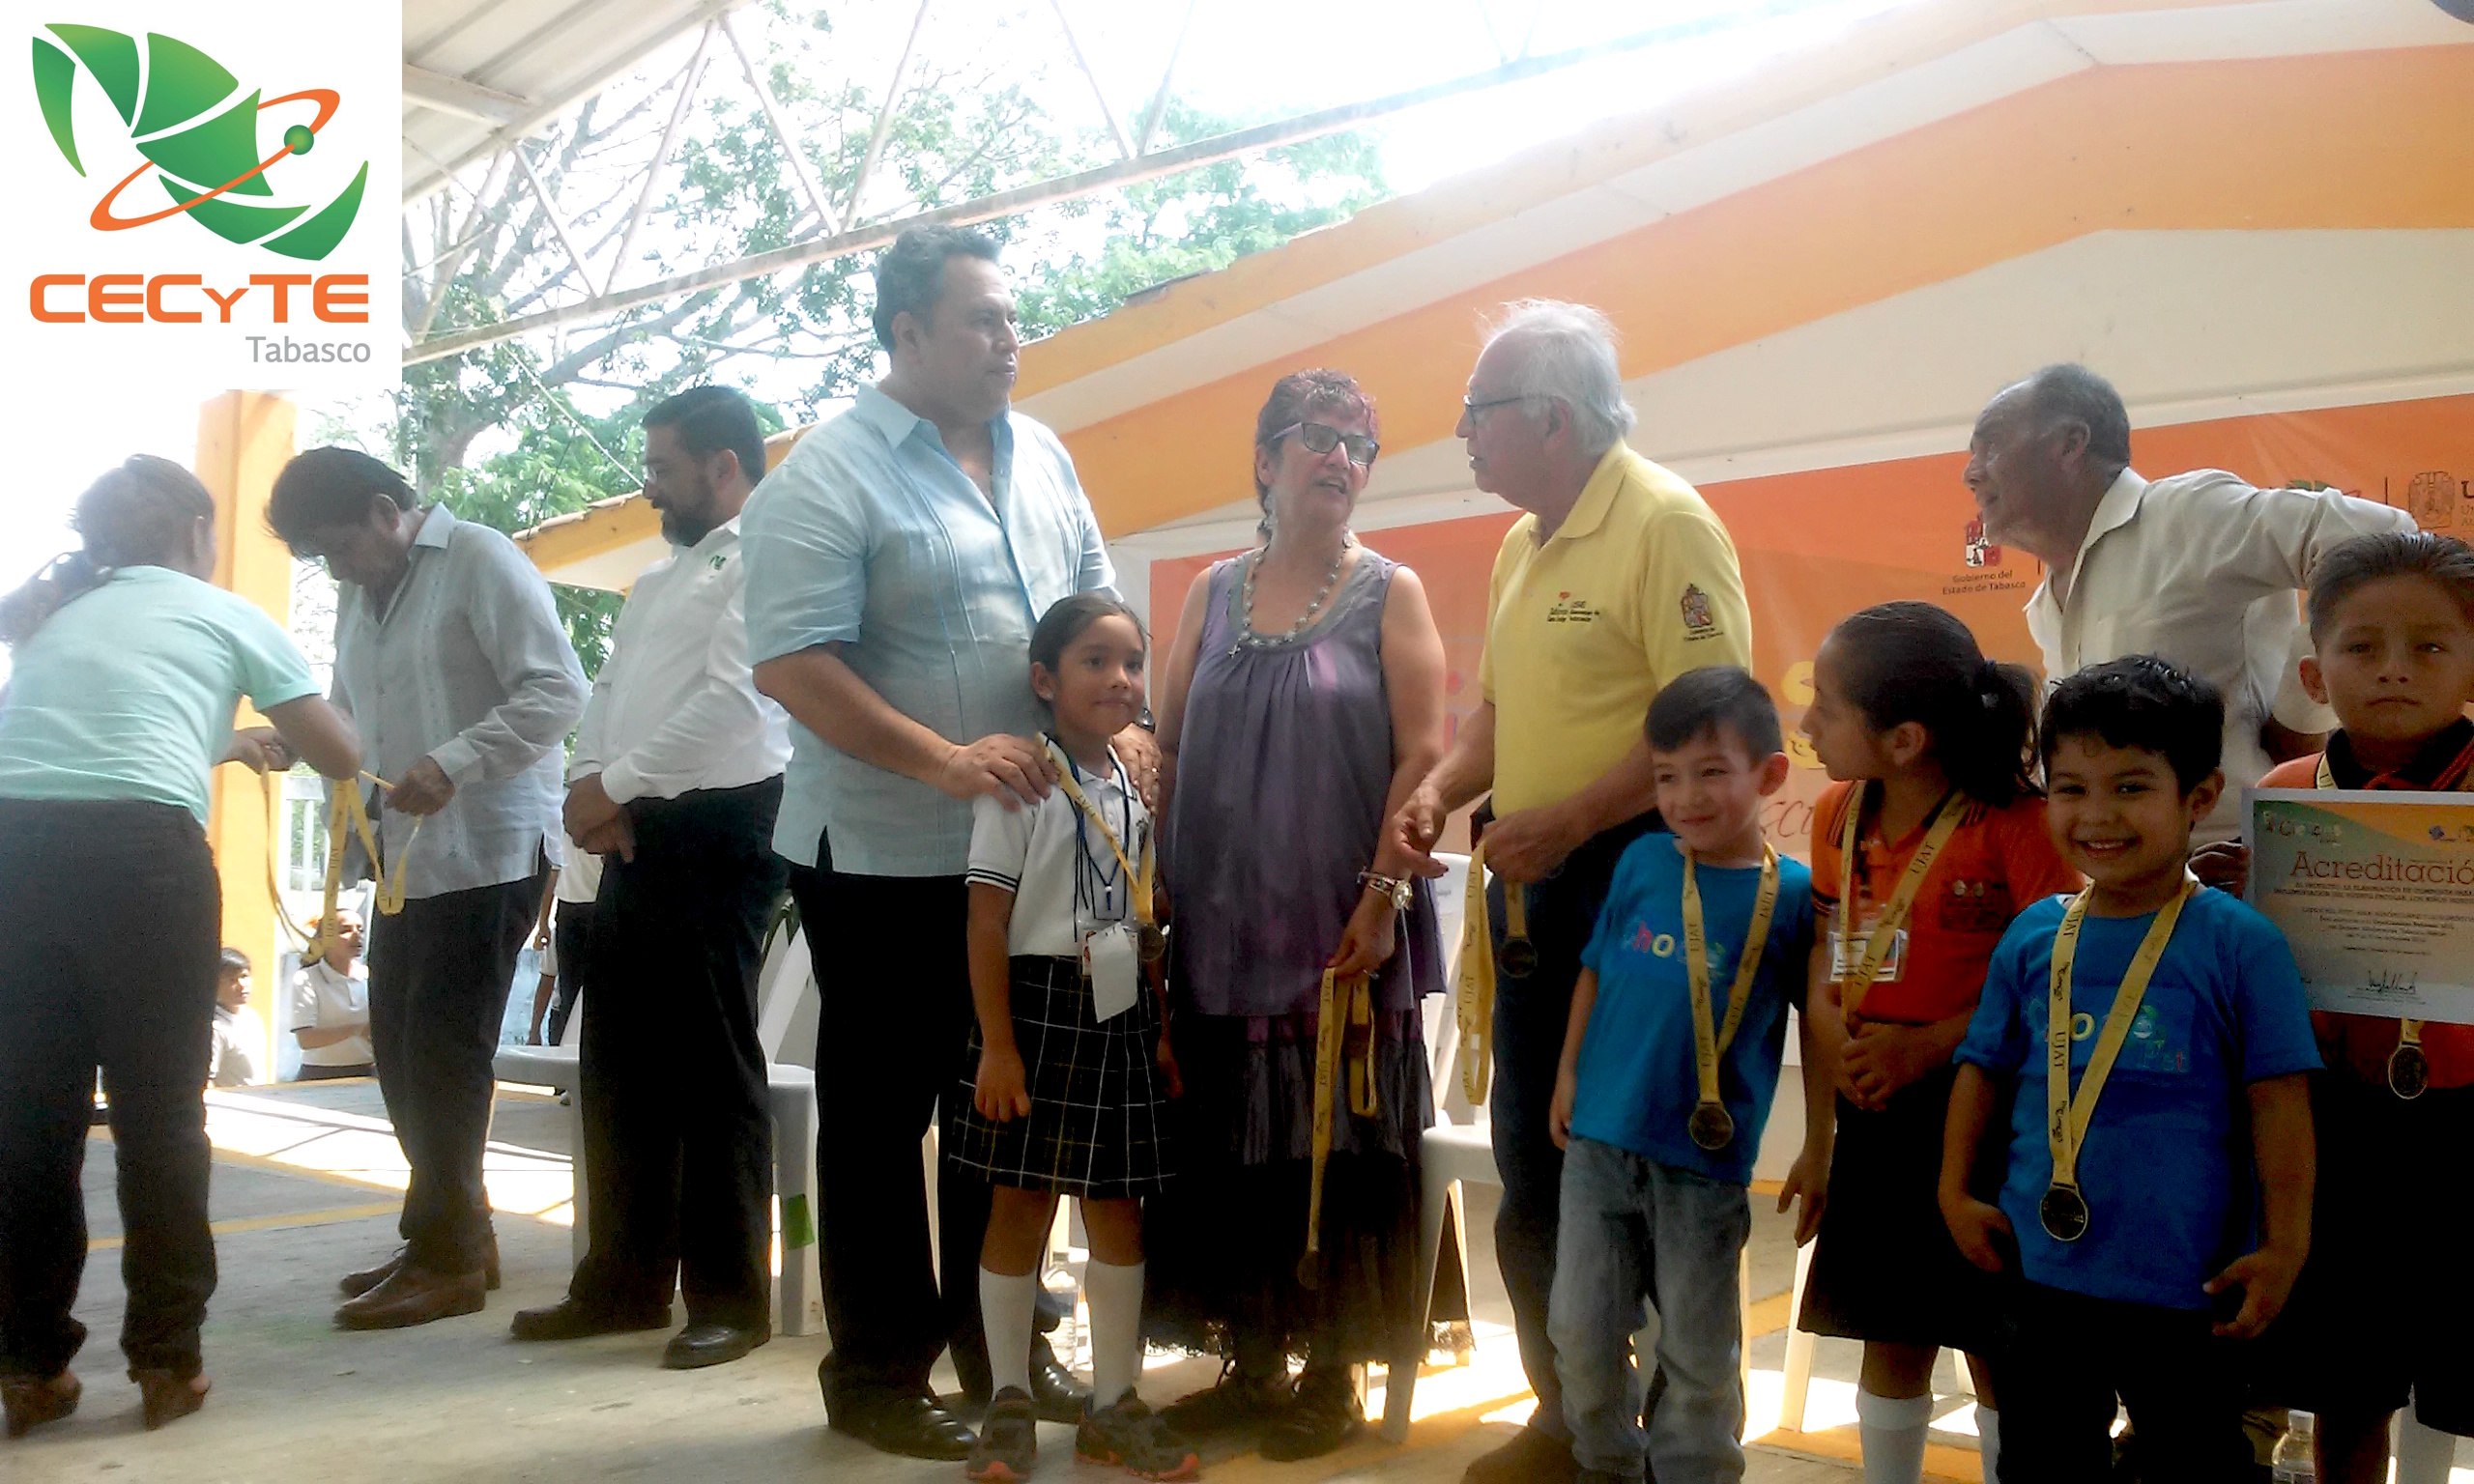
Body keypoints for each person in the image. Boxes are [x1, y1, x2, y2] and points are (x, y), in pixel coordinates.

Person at [745, 224, 1147, 1459]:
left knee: (1001, 1110)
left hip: (1027, 851)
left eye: (1011, 316)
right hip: (882, 852)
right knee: (881, 1118)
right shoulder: (826, 474)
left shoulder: (1044, 456)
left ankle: (1002, 1361)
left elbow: (1091, 614)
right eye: (982, 318)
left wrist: (1127, 729)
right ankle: (875, 1375)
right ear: (907, 332)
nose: (1009, 339)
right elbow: (792, 664)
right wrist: (942, 759)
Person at [1391, 300, 1753, 1484]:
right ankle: (1568, 1417)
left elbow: (1709, 729)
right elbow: (1498, 714)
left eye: (1476, 412)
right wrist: (1439, 789)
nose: (1462, 433)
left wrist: (1572, 821)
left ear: (1549, 416)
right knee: (1534, 1161)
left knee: (1628, 1172)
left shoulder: (1664, 523)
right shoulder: (1521, 541)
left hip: (1635, 885)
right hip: (1530, 887)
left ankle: (1648, 1438)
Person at [0, 454, 360, 1435]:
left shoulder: (60, 611)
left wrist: (221, 740)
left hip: (15, 857)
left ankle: (28, 1367)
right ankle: (167, 1363)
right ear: (198, 532)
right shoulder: (226, 612)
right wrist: (283, 724)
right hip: (142, 866)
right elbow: (339, 753)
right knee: (160, 1120)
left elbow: (94, 746)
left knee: (30, 1124)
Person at [1140, 369, 1450, 1458]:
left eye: (1358, 446)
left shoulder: (1391, 591)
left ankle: (1331, 1374)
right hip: (1218, 932)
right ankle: (1252, 1360)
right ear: (1265, 460)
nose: (1340, 460)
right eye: (1317, 437)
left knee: (1338, 1144)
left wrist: (1384, 895)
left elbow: (1422, 758)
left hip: (1339, 931)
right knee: (1231, 1149)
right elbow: (1164, 747)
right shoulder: (1210, 592)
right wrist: (1149, 889)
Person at [1940, 657, 2317, 1483]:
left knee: (2195, 1465)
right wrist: (1954, 1192)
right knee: (2042, 1463)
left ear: (2200, 796)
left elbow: (2280, 1103)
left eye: (2131, 787)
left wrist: (2285, 1246)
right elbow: (1982, 1068)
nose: (2097, 815)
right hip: (2042, 1271)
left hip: (2190, 1283)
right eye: (2071, 789)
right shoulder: (2034, 935)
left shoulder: (2240, 944)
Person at [267, 446, 588, 1331]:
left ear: (386, 509)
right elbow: (346, 713)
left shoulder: (480, 557)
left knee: (443, 1055)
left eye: (338, 547)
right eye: (320, 556)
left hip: (488, 846)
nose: (336, 569)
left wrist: (453, 761)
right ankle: (457, 1235)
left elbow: (559, 691)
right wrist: (295, 743)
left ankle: (447, 1256)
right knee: (404, 1053)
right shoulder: (360, 593)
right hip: (404, 855)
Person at [512, 385, 793, 1371]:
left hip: (725, 820)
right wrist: (589, 786)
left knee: (711, 1066)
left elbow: (735, 704)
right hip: (637, 826)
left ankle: (731, 1300)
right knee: (620, 1061)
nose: (649, 487)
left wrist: (613, 785)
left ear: (723, 466)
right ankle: (623, 1283)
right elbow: (608, 692)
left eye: (663, 468)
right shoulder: (658, 578)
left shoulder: (766, 556)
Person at [1790, 603, 2081, 1484]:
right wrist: (1823, 1099)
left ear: (1905, 739)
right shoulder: (1837, 813)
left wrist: (1930, 1047)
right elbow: (1826, 954)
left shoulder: (2015, 824)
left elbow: (2054, 980)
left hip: (1983, 1112)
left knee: (1994, 1336)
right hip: (1873, 1106)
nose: (1806, 722)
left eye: (1826, 706)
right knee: (1890, 1327)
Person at [1962, 362, 2413, 868]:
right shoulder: (2045, 605)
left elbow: (2379, 536)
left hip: (2251, 871)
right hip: (2127, 885)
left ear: (2070, 443)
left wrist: (2302, 713)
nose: (1971, 473)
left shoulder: (2187, 513)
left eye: (1991, 446)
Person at [1545, 667, 1821, 1484]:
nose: (1685, 798)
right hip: (1600, 1140)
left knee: (1700, 1353)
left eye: (1711, 772)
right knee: (1580, 1332)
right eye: (1666, 777)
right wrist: (1568, 1074)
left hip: (1705, 1163)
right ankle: (1606, 1464)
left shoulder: (1795, 897)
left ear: (1770, 774)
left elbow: (1823, 1025)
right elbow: (1594, 970)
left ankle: (1697, 1474)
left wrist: (1822, 1142)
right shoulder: (1641, 861)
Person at [949, 593, 1197, 1483]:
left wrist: (1158, 1030)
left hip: (1120, 1006)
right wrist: (998, 1046)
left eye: (1132, 662)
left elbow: (1143, 916)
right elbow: (986, 921)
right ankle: (1008, 1399)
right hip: (1035, 1006)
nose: (1119, 678)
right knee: (1020, 1201)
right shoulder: (1022, 783)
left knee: (1119, 1206)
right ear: (1045, 679)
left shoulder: (1134, 785)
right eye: (1095, 660)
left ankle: (1114, 1402)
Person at [2253, 533, 2474, 1484]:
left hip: (2470, 1126)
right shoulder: (2285, 797)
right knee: (2348, 1386)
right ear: (2314, 673)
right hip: (2334, 1124)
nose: (2393, 669)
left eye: (2429, 646)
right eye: (2361, 646)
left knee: (2462, 1372)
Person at [528, 839, 599, 1048]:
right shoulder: (560, 827)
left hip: (599, 905)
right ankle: (570, 1052)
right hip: (569, 910)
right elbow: (554, 872)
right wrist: (542, 923)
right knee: (569, 992)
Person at [291, 911, 374, 1080]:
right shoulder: (307, 978)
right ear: (323, 939)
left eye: (360, 929)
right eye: (345, 930)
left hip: (368, 1073)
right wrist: (356, 1029)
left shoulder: (370, 976)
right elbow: (306, 1039)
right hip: (321, 1075)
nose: (356, 935)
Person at [208, 949, 266, 1089]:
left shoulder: (251, 1016)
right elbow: (208, 1081)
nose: (241, 985)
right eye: (231, 980)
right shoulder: (216, 1028)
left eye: (244, 976)